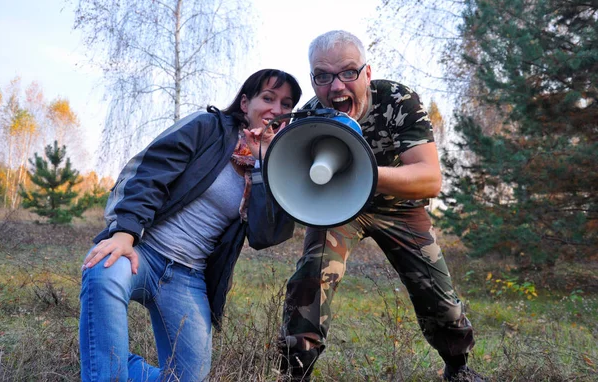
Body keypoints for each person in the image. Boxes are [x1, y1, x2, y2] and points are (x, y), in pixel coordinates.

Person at [277, 31, 483, 382]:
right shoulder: (309, 117)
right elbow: (294, 180)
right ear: (313, 80)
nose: (336, 86)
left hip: (400, 207)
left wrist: (364, 171)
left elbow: (430, 178)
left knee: (438, 297)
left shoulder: (398, 101)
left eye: (348, 72)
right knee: (311, 277)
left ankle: (457, 367)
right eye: (322, 76)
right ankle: (297, 373)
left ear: (367, 74)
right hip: (339, 208)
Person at [79, 69, 301, 381]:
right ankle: (106, 373)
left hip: (188, 277)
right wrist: (125, 233)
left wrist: (264, 161)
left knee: (186, 378)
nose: (277, 109)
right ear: (245, 103)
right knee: (102, 272)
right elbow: (150, 174)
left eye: (286, 104)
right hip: (144, 252)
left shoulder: (275, 166)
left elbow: (266, 234)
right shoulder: (208, 128)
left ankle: (111, 365)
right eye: (268, 98)